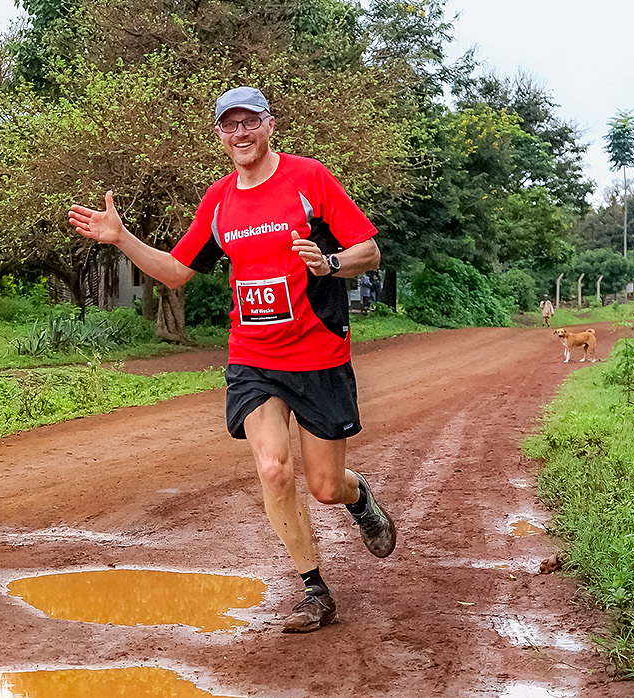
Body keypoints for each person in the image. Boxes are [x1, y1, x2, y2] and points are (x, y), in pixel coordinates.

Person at [68, 87, 397, 633]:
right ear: (220, 134)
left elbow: (369, 250)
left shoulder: (309, 180)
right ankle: (314, 590)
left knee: (323, 486)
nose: (240, 133)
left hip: (317, 355)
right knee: (273, 469)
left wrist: (331, 262)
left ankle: (357, 497)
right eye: (229, 125)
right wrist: (122, 238)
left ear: (269, 125)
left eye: (249, 122)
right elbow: (177, 271)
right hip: (252, 358)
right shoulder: (219, 201)